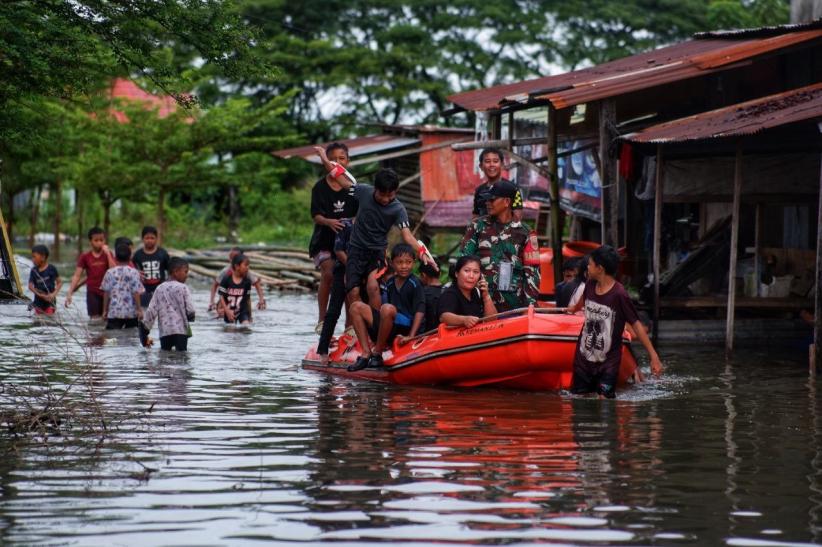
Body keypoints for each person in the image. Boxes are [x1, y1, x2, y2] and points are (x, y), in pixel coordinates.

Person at [314, 146, 437, 308]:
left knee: (373, 287)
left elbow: (408, 236)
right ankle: (358, 322)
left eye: (390, 195)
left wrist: (422, 252)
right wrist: (324, 159)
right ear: (375, 189)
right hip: (356, 250)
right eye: (382, 195)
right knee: (353, 292)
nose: (385, 199)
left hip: (377, 252)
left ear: (396, 191)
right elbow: (339, 177)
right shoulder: (363, 191)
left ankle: (376, 321)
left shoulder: (398, 209)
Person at [567, 245, 663, 399]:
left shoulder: (619, 294)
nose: (587, 267)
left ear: (600, 268)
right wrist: (574, 308)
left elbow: (636, 324)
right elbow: (583, 300)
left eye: (590, 264)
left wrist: (654, 356)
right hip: (584, 358)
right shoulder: (590, 284)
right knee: (579, 399)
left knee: (604, 401)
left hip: (608, 363)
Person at [459, 180, 540, 312]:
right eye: (486, 200)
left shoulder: (526, 233)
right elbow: (463, 261)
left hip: (514, 306)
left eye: (492, 199)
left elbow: (532, 273)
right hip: (480, 303)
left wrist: (530, 306)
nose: (487, 203)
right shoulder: (477, 226)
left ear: (507, 202)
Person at [347, 244, 426, 371]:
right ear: (392, 263)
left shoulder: (415, 283)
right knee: (355, 307)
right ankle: (366, 353)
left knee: (387, 308)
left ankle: (377, 353)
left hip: (404, 328)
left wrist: (411, 336)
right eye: (399, 262)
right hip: (389, 324)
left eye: (408, 262)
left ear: (414, 263)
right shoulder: (389, 282)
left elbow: (420, 310)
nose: (404, 266)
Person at [310, 142, 358, 335]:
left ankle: (350, 325)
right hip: (323, 241)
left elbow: (360, 212)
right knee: (329, 273)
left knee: (347, 278)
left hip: (347, 243)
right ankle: (322, 320)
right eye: (333, 159)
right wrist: (328, 221)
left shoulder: (353, 187)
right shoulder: (319, 187)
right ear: (326, 162)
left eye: (341, 158)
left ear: (348, 161)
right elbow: (316, 215)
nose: (337, 162)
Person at [317, 217, 353, 366]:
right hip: (342, 270)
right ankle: (323, 349)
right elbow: (338, 250)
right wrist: (351, 268)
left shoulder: (371, 226)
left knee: (362, 307)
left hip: (363, 271)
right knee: (333, 310)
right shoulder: (345, 225)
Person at [140, 257, 195, 351]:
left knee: (165, 355)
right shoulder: (183, 288)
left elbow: (151, 310)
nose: (187, 275)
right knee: (182, 356)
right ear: (176, 271)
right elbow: (190, 310)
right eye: (185, 272)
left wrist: (145, 329)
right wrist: (190, 317)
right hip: (181, 331)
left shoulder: (159, 288)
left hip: (165, 332)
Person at [65, 226, 116, 319]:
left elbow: (114, 271)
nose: (99, 243)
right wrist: (70, 292)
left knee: (107, 318)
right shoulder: (85, 256)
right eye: (96, 240)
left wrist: (108, 254)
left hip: (107, 292)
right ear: (90, 242)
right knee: (94, 320)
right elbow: (77, 275)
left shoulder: (108, 254)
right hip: (92, 292)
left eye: (101, 240)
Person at [438, 255, 497, 327]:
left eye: (476, 272)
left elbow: (492, 320)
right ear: (457, 274)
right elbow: (444, 317)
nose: (471, 276)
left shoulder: (477, 292)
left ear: (480, 276)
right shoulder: (450, 294)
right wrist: (464, 320)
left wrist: (486, 296)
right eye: (466, 271)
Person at [208, 247, 266, 315]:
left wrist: (261, 300)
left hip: (240, 300)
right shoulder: (225, 272)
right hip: (227, 301)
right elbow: (215, 285)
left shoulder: (246, 273)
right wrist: (212, 302)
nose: (232, 260)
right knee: (222, 313)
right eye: (230, 257)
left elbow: (257, 284)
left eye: (234, 257)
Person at [472, 148, 524, 223]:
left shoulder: (512, 189)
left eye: (495, 161)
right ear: (481, 166)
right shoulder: (479, 190)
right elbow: (475, 216)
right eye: (487, 161)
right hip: (483, 229)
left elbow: (517, 217)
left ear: (502, 165)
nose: (491, 165)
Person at [101, 243, 145, 329]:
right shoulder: (134, 272)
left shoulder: (109, 272)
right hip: (131, 313)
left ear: (115, 258)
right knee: (131, 335)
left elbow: (106, 293)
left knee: (112, 336)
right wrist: (139, 310)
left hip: (114, 313)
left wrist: (104, 310)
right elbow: (136, 292)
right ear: (130, 257)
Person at [133, 226, 170, 308]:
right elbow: (133, 270)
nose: (149, 240)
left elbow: (169, 270)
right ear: (142, 239)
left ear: (156, 239)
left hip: (160, 288)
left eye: (152, 238)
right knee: (145, 308)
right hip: (144, 289)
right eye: (147, 238)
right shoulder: (137, 255)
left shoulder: (163, 253)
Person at [219, 253, 253, 325]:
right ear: (237, 266)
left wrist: (250, 316)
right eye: (245, 265)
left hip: (242, 312)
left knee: (246, 326)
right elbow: (221, 296)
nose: (248, 267)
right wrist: (226, 311)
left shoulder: (247, 282)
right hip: (229, 312)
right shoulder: (226, 280)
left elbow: (248, 299)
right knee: (230, 329)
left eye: (248, 265)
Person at [28, 244, 62, 316]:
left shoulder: (51, 269)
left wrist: (53, 294)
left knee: (49, 318)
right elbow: (30, 286)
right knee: (38, 319)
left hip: (50, 302)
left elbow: (59, 283)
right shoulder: (33, 270)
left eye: (34, 257)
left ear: (43, 257)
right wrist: (40, 295)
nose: (32, 259)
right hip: (38, 301)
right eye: (32, 257)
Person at [418, 261, 442, 332]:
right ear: (440, 274)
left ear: (423, 275)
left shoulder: (422, 293)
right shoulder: (448, 291)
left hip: (426, 335)